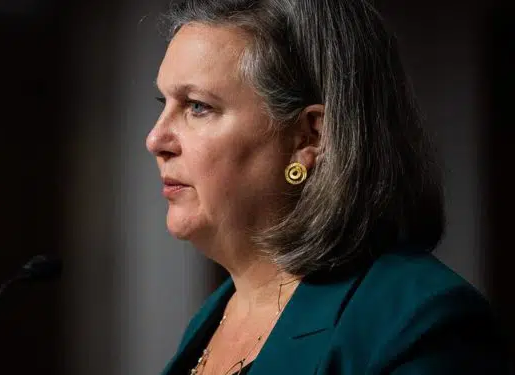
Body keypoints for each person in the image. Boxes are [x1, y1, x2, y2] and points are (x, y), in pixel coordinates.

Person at [145, 0, 512, 374]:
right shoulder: (211, 317)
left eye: (197, 106)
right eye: (164, 102)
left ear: (309, 137)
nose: (156, 139)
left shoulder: (419, 325)